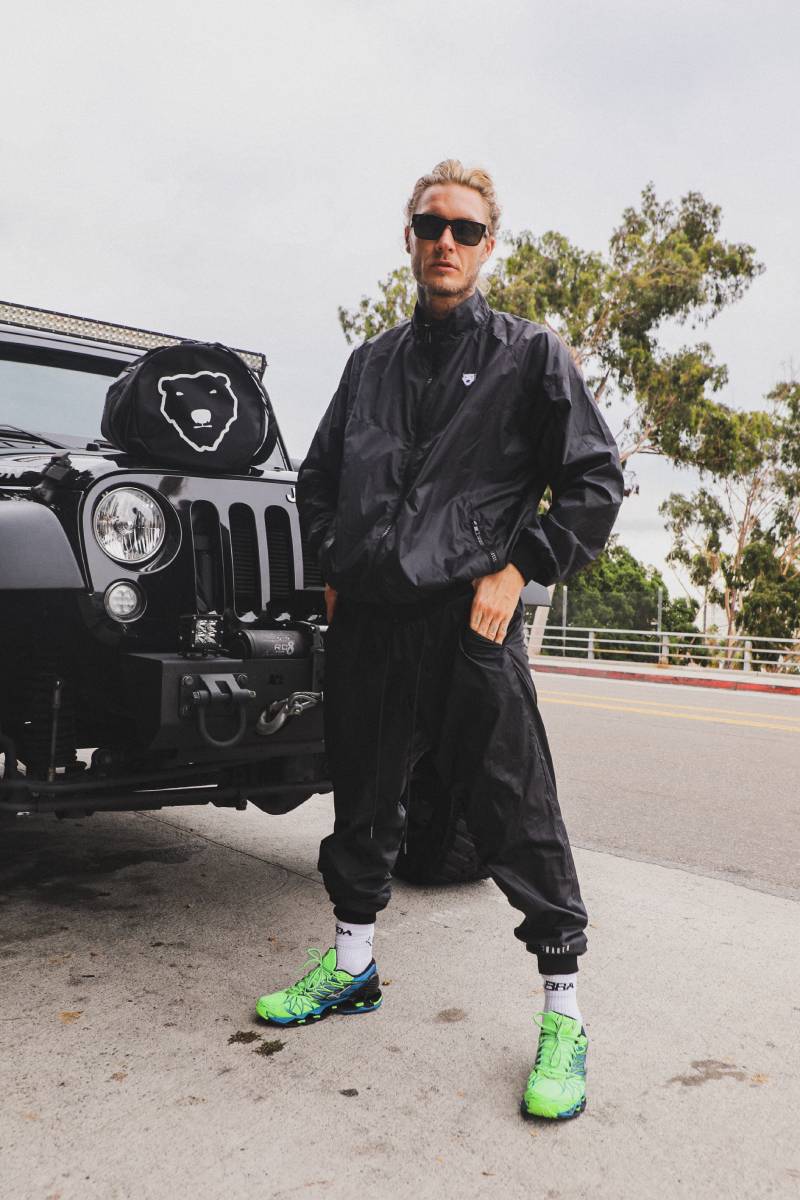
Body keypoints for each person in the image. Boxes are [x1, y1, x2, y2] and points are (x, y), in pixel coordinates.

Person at [255, 159, 624, 1121]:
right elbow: (318, 480)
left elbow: (595, 480)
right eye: (430, 226)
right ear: (410, 238)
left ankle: (564, 1014)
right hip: (372, 627)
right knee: (364, 800)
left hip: (470, 628)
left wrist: (520, 567)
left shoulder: (529, 356)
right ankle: (352, 967)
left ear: (488, 245)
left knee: (515, 813)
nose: (445, 243)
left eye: (464, 229)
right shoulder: (370, 364)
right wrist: (335, 564)